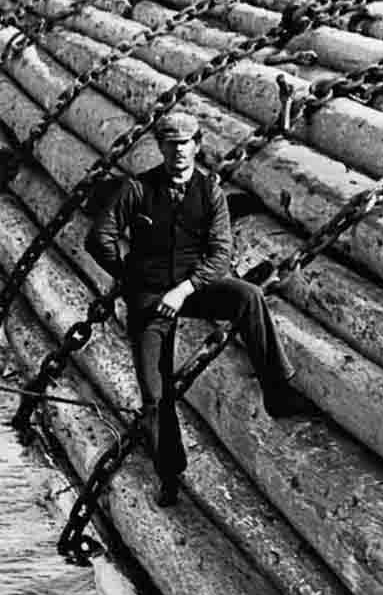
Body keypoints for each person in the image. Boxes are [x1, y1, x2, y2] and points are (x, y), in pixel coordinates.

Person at [85, 109, 313, 506]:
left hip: (191, 290)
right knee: (155, 394)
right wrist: (131, 277)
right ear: (160, 147)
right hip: (150, 299)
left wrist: (185, 290)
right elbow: (98, 238)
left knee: (247, 296)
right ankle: (169, 475)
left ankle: (277, 388)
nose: (179, 152)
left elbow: (220, 254)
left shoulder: (209, 192)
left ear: (198, 145)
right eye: (171, 145)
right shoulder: (137, 190)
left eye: (186, 144)